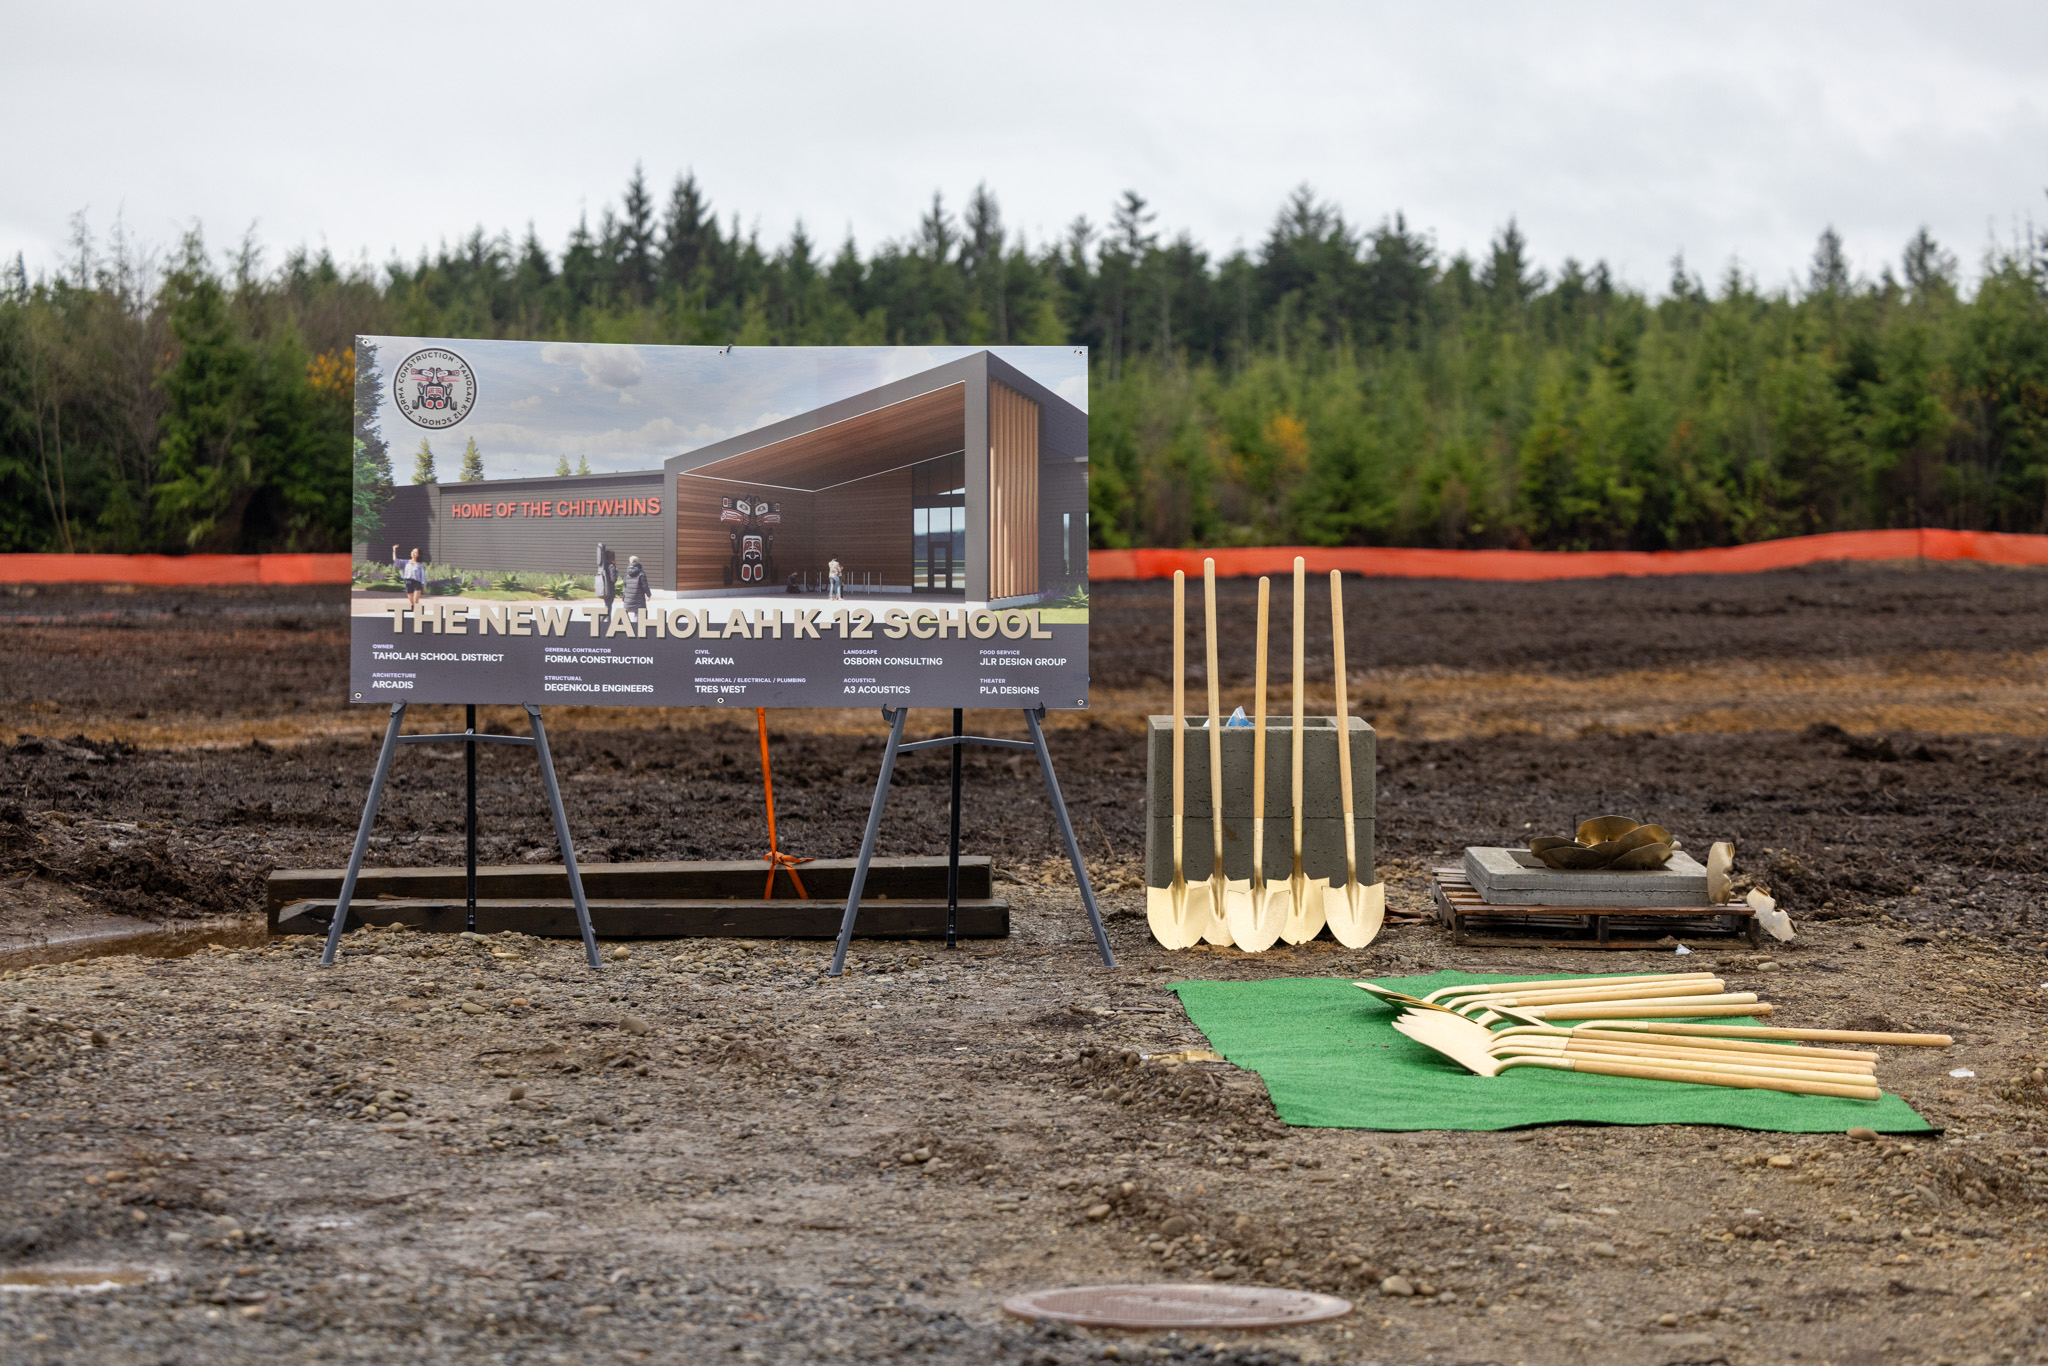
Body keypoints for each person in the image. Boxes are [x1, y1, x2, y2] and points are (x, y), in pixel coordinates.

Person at [391, 544, 425, 609]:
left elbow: (422, 575)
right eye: (412, 551)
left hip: (417, 583)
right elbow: (395, 560)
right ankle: (418, 611)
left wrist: (424, 585)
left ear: (418, 555)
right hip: (408, 582)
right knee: (412, 602)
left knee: (416, 601)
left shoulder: (420, 565)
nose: (413, 553)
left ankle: (417, 616)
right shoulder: (405, 562)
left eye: (415, 552)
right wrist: (394, 550)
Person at [621, 554, 649, 629]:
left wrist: (624, 596)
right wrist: (648, 594)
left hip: (628, 598)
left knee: (625, 612)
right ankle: (637, 629)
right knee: (638, 613)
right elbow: (644, 585)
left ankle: (626, 628)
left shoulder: (627, 574)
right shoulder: (641, 573)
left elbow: (625, 586)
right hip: (638, 598)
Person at [595, 542, 618, 611]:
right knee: (608, 607)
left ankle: (607, 621)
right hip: (610, 589)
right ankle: (601, 620)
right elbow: (613, 579)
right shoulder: (611, 566)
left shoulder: (603, 566)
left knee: (607, 605)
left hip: (605, 588)